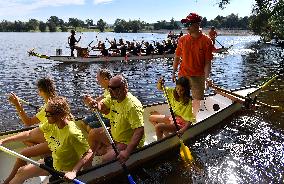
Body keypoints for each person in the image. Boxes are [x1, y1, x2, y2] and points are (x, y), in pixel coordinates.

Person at [9, 96, 92, 184]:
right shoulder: (52, 123)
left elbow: (88, 153)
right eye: (45, 112)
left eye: (48, 113)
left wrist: (74, 172)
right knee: (22, 171)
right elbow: (29, 134)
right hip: (55, 161)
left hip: (65, 172)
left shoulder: (72, 133)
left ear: (60, 115)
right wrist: (3, 141)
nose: (45, 116)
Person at [0, 77, 57, 184]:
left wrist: (17, 105)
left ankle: (8, 181)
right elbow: (30, 133)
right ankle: (46, 154)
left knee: (23, 153)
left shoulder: (48, 107)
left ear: (40, 91)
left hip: (55, 140)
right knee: (26, 141)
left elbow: (28, 122)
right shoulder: (57, 102)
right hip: (53, 136)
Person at [84, 75, 145, 164]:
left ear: (124, 88)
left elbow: (139, 130)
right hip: (114, 135)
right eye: (109, 88)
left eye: (113, 89)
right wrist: (96, 105)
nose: (110, 91)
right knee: (93, 133)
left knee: (104, 160)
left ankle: (105, 153)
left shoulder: (133, 106)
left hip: (126, 142)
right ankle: (89, 158)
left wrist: (127, 152)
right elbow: (102, 106)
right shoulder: (113, 96)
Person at [173, 12, 213, 117]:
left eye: (188, 24)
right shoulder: (182, 39)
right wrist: (173, 72)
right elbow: (177, 57)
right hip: (183, 74)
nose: (186, 27)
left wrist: (207, 78)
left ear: (196, 24)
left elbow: (207, 62)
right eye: (185, 25)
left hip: (198, 76)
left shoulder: (207, 41)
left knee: (196, 100)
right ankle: (180, 117)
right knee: (180, 97)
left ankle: (192, 119)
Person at [79, 68, 112, 133]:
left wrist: (91, 103)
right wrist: (92, 100)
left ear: (105, 79)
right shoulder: (107, 89)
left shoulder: (113, 91)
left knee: (89, 127)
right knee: (83, 122)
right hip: (104, 114)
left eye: (99, 80)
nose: (98, 82)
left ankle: (95, 140)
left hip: (110, 117)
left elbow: (105, 109)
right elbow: (102, 98)